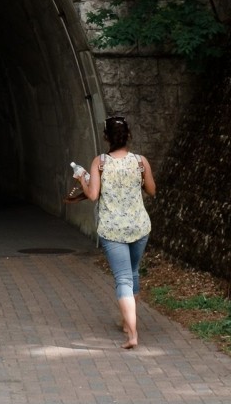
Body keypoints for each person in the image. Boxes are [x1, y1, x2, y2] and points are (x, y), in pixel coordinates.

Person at [74, 114, 157, 349]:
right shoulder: (141, 162)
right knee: (133, 272)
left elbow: (92, 196)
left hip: (113, 230)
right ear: (128, 135)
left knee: (123, 278)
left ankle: (132, 334)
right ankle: (125, 321)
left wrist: (82, 178)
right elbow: (151, 190)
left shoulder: (99, 162)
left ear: (106, 137)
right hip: (139, 227)